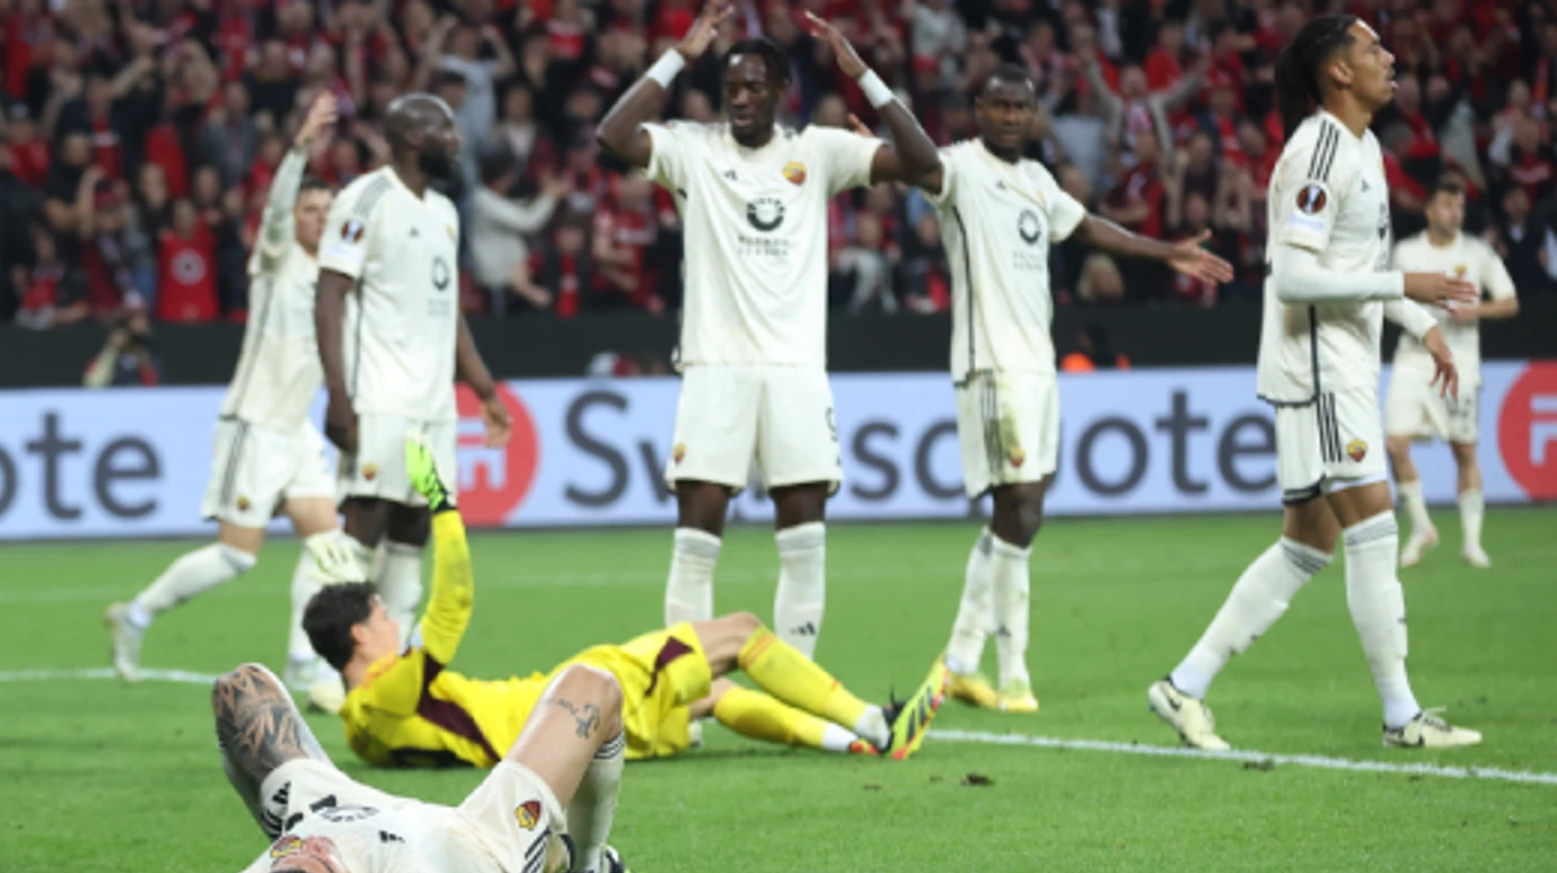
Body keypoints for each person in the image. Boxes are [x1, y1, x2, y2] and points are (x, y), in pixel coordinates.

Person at [303, 438, 947, 873]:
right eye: (382, 613)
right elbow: (453, 606)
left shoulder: (361, 728)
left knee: (715, 695)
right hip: (568, 704)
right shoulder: (384, 692)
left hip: (558, 751)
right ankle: (877, 725)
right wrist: (443, 503)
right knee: (742, 632)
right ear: (360, 634)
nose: (393, 620)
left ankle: (851, 741)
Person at [1148, 16, 1483, 753]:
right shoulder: (1321, 148)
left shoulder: (1359, 146)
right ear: (1338, 73)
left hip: (1341, 359)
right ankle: (1401, 716)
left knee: (1308, 544)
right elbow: (1295, 276)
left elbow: (1344, 267)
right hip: (1322, 366)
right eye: (1373, 50)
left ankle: (1184, 685)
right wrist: (1406, 281)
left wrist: (1418, 322)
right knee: (1373, 526)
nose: (1390, 59)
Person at [593, 4, 940, 663]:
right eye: (731, 89)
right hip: (714, 367)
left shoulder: (818, 151)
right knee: (696, 540)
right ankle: (686, 694)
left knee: (804, 538)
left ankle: (800, 688)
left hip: (796, 372)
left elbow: (922, 163)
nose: (741, 100)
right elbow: (612, 135)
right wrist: (679, 56)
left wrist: (861, 72)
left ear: (782, 91)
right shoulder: (693, 149)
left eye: (755, 87)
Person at [917, 64, 1232, 714]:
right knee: (1023, 511)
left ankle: (959, 661)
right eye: (998, 105)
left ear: (1033, 115)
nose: (1009, 116)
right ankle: (1015, 674)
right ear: (978, 107)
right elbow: (912, 165)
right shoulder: (959, 167)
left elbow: (1089, 228)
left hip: (1039, 366)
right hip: (993, 365)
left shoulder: (1037, 180)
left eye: (1020, 107)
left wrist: (1165, 251)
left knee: (1014, 516)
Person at [0, 661, 633, 873]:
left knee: (239, 691)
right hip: (472, 842)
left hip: (342, 806)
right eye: (323, 865)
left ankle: (294, 795)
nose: (308, 850)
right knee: (593, 688)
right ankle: (588, 866)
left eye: (294, 853)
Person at [108, 96, 365, 713]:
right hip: (253, 424)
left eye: (328, 208)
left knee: (330, 548)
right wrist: (300, 146)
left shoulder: (337, 276)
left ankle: (303, 667)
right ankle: (136, 615)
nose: (319, 216)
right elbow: (275, 211)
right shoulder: (276, 261)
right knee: (234, 557)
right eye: (311, 208)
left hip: (297, 431)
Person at [315, 93, 512, 639]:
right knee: (364, 528)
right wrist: (337, 395)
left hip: (435, 406)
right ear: (413, 140)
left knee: (412, 531)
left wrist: (485, 392)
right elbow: (329, 294)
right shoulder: (367, 197)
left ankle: (391, 663)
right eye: (447, 131)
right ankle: (331, 665)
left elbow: (450, 316)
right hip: (380, 398)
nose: (458, 140)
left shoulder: (445, 213)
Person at [1384, 179, 1518, 570]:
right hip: (1412, 357)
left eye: (1458, 206)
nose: (1454, 213)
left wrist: (1473, 312)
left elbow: (1510, 302)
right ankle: (1423, 527)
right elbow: (1389, 299)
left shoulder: (1477, 253)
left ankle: (1472, 543)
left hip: (1459, 360)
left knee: (1464, 450)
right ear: (1429, 210)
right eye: (1446, 205)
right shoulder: (1406, 252)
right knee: (1395, 444)